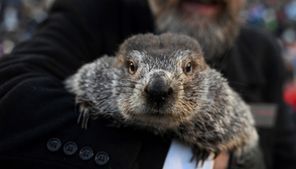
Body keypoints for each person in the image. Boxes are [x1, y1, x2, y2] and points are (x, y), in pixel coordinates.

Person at [0, 0, 295, 169]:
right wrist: (176, 160)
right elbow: (11, 92)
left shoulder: (262, 52)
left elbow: (281, 151)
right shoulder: (95, 14)